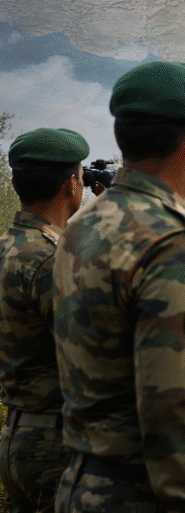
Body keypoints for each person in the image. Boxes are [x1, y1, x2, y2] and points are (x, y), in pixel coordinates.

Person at [53, 62, 185, 513]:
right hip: (143, 497)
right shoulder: (174, 243)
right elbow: (179, 421)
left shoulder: (81, 227)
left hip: (83, 485)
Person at [0, 128, 92, 513]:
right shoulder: (51, 260)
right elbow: (91, 355)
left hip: (15, 436)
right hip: (55, 446)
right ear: (71, 185)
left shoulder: (8, 247)